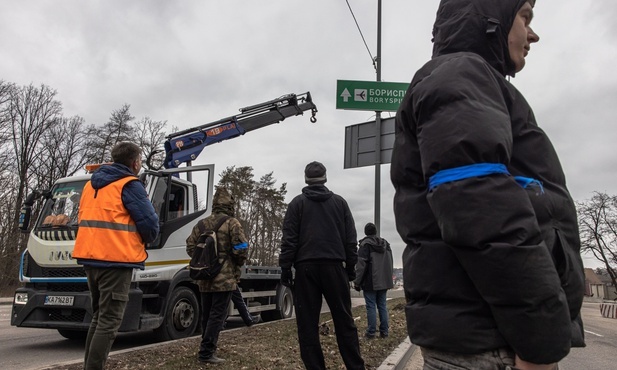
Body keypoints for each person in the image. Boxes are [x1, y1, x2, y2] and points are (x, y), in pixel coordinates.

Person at [390, 1, 585, 369]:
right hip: (494, 348)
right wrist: (539, 342)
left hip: (490, 340)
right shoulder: (462, 75)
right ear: (491, 19)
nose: (533, 34)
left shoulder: (467, 79)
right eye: (525, 16)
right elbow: (481, 211)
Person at [72, 142, 159, 370]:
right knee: (109, 321)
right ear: (135, 162)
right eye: (139, 160)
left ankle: (89, 366)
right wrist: (149, 239)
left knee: (99, 317)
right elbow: (150, 223)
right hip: (115, 259)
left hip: (90, 257)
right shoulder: (129, 184)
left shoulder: (91, 186)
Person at [279, 161, 365, 370]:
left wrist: (285, 269)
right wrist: (350, 268)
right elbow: (350, 239)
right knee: (344, 322)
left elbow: (289, 239)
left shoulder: (297, 204)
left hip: (305, 268)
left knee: (307, 325)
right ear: (325, 178)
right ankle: (355, 367)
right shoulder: (340, 203)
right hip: (334, 267)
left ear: (306, 180)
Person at [186, 187, 248, 364]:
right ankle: (206, 353)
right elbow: (241, 248)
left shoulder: (201, 224)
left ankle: (205, 347)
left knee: (207, 314)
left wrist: (205, 261)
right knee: (217, 315)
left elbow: (191, 247)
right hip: (224, 278)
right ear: (229, 204)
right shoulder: (232, 223)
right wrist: (235, 263)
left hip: (204, 277)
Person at [353, 222, 393, 339]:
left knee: (371, 306)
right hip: (383, 281)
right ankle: (384, 332)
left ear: (365, 232)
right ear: (375, 231)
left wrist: (357, 281)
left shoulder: (365, 245)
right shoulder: (386, 244)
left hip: (370, 281)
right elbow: (390, 262)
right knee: (382, 305)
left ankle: (371, 333)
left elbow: (361, 266)